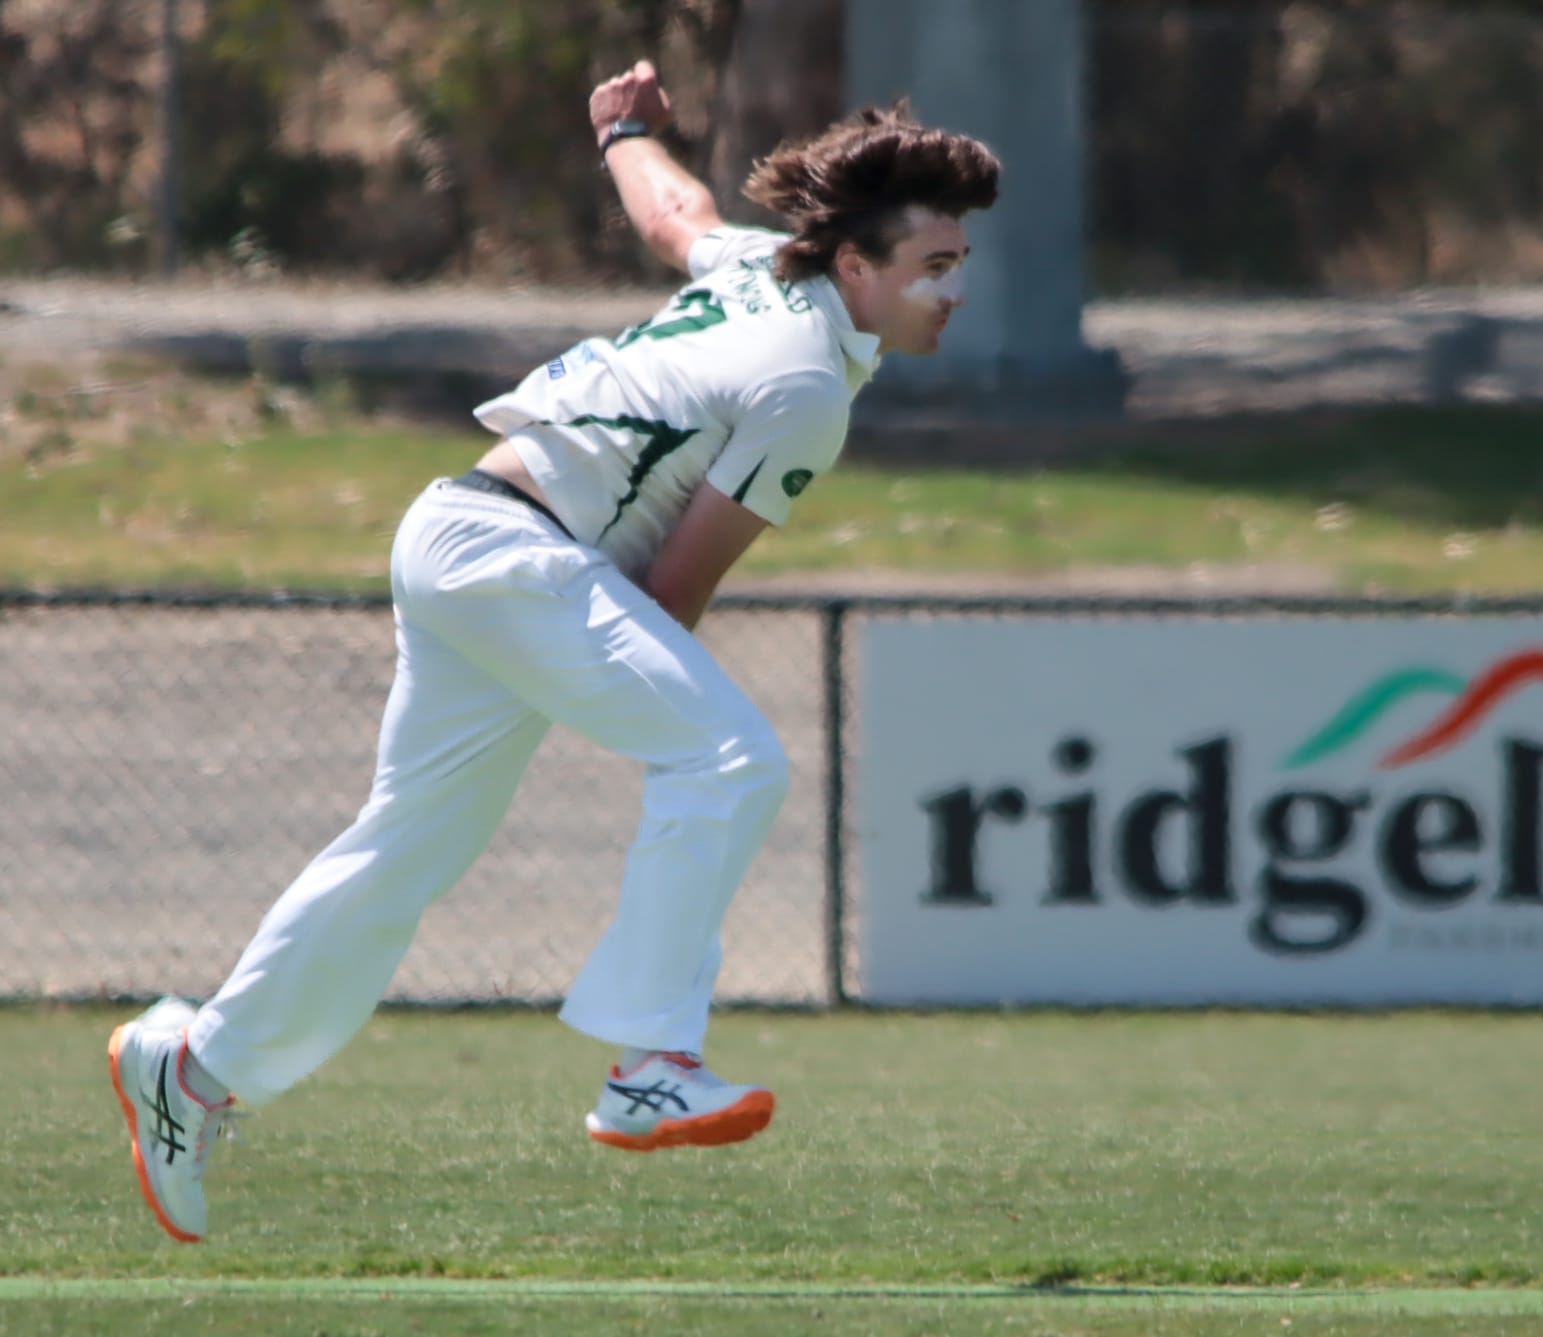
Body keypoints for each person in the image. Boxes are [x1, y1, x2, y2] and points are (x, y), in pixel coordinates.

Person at [107, 58, 1000, 1243]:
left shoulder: (755, 270)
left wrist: (622, 129)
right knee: (731, 760)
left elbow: (671, 212)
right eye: (932, 268)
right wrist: (623, 690)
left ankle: (196, 1068)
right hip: (518, 560)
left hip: (456, 532)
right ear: (854, 265)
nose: (951, 293)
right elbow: (673, 591)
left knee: (405, 847)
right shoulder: (805, 389)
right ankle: (650, 1065)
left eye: (957, 268)